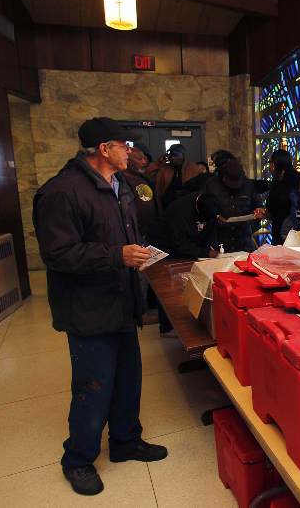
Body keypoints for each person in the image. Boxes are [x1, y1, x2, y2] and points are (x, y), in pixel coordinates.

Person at [32, 117, 167, 496]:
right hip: (88, 309)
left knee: (128, 379)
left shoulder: (120, 185)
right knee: (93, 387)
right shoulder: (61, 192)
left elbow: (124, 234)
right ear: (104, 149)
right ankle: (77, 460)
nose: (132, 151)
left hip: (121, 301)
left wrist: (136, 255)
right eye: (125, 145)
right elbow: (57, 254)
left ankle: (125, 442)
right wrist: (116, 255)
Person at [205, 158, 265, 252]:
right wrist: (216, 216)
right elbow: (204, 208)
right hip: (220, 238)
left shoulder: (248, 185)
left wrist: (259, 210)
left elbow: (258, 203)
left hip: (243, 237)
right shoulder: (211, 186)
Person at [152, 192, 221, 260]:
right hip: (165, 249)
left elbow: (211, 229)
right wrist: (206, 253)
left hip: (190, 248)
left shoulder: (209, 203)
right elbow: (179, 243)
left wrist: (214, 247)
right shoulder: (179, 212)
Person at [258, 149, 300, 245]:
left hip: (290, 235)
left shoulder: (292, 181)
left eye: (270, 163)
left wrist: (268, 212)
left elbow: (281, 206)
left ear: (274, 165)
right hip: (282, 233)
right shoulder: (278, 180)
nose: (269, 167)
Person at [123, 142, 161, 240]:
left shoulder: (142, 177)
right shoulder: (121, 180)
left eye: (144, 158)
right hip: (135, 233)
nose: (144, 162)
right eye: (139, 159)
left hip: (150, 230)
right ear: (127, 160)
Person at [148, 143, 201, 208]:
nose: (173, 158)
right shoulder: (165, 168)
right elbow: (148, 174)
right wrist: (158, 162)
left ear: (183, 155)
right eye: (171, 155)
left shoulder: (192, 168)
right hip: (167, 206)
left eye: (176, 155)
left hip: (186, 206)